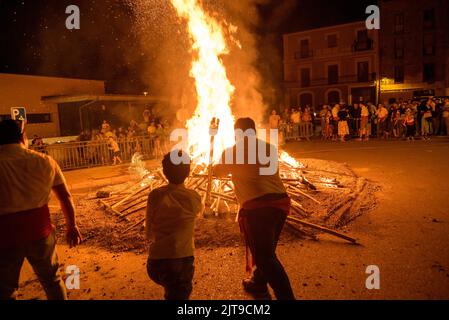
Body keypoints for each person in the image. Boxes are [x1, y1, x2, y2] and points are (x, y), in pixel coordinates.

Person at [213, 118, 295, 300]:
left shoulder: (232, 152)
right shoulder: (269, 148)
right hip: (280, 203)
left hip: (258, 209)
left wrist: (214, 163)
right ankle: (258, 283)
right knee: (266, 252)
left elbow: (217, 172)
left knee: (265, 257)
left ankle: (287, 298)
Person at [0, 120, 82, 300]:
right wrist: (72, 226)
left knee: (5, 289)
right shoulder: (45, 161)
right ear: (22, 137)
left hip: (5, 237)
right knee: (52, 280)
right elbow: (65, 197)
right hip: (40, 232)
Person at [145, 150, 202, 300]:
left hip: (155, 264)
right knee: (179, 293)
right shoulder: (194, 197)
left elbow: (148, 233)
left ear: (164, 172)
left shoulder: (155, 195)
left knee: (171, 289)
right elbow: (199, 212)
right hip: (181, 263)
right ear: (188, 172)